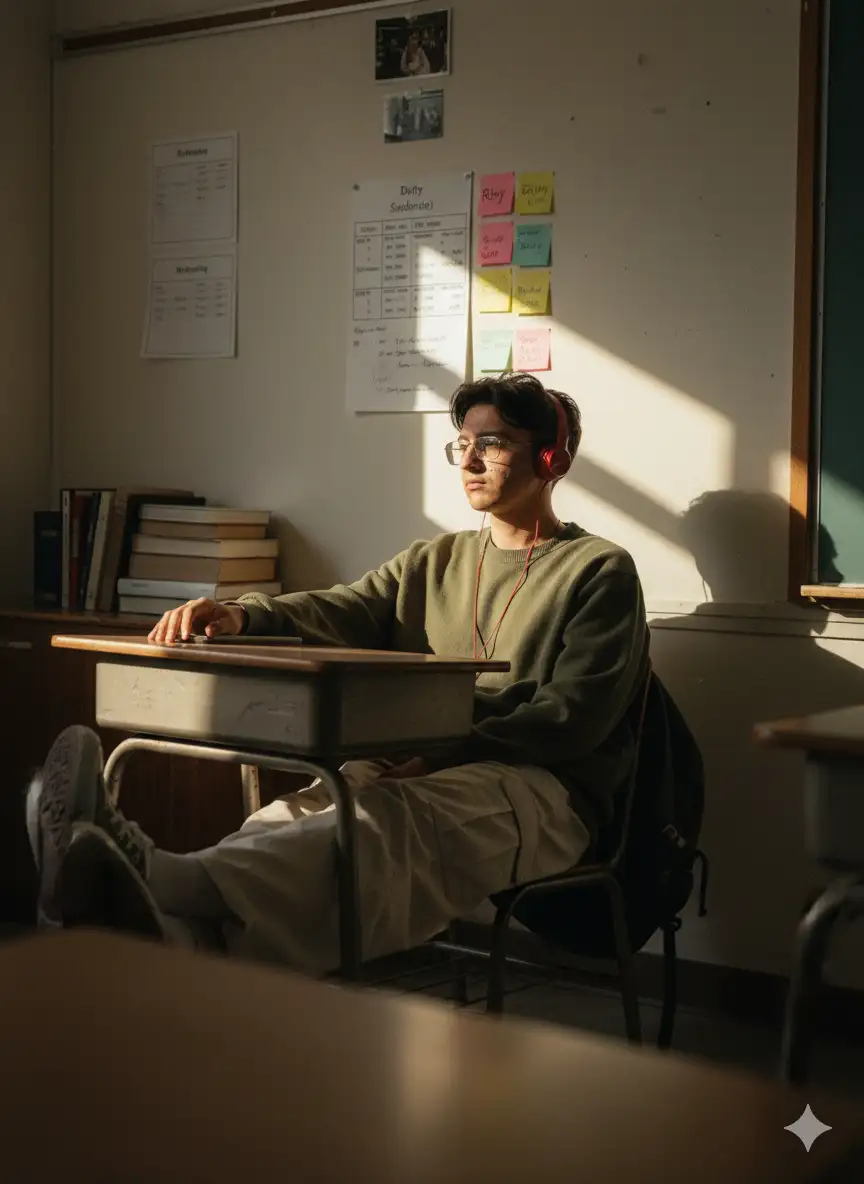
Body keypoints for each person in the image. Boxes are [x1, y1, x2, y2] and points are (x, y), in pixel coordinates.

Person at [27, 373, 650, 972]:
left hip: (544, 787)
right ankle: (180, 939)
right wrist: (243, 615)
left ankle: (153, 874)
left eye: (492, 443)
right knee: (297, 815)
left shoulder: (598, 570)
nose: (468, 460)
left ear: (550, 459)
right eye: (461, 443)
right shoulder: (436, 558)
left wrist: (441, 752)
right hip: (424, 756)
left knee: (383, 824)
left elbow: (571, 718)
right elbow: (344, 607)